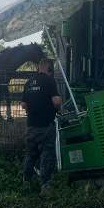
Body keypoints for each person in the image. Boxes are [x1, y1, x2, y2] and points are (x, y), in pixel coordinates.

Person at [21, 58, 61, 190]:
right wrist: (58, 108)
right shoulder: (50, 81)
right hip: (46, 125)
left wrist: (32, 110)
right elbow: (56, 101)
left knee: (30, 153)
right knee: (46, 153)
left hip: (31, 125)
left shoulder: (28, 83)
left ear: (39, 68)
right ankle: (45, 185)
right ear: (49, 69)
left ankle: (26, 182)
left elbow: (23, 105)